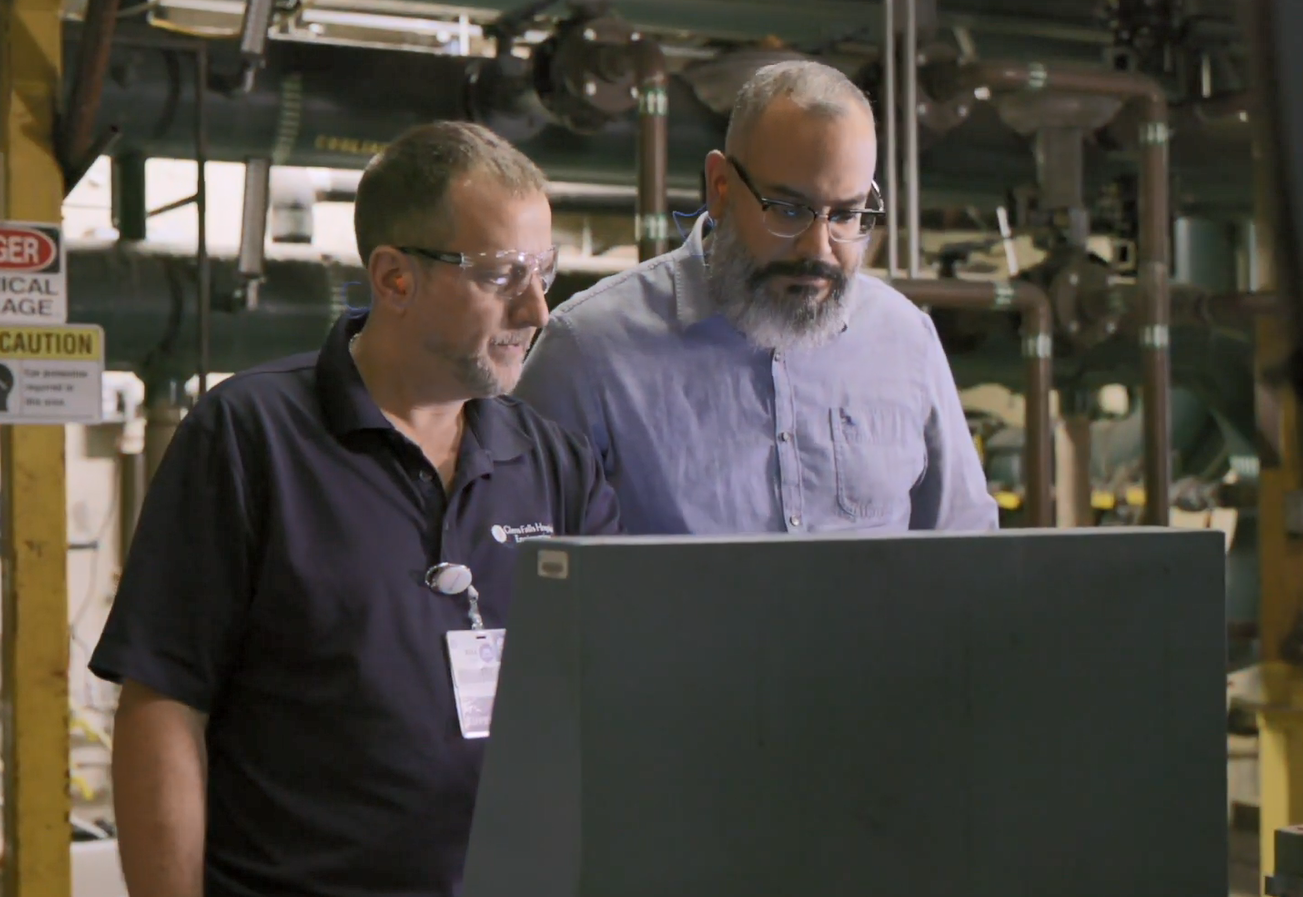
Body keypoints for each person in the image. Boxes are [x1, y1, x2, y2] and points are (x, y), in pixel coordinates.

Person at [90, 121, 620, 897]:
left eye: (544, 270)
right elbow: (164, 704)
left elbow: (612, 698)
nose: (538, 309)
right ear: (395, 277)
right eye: (502, 274)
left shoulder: (555, 464)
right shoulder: (252, 437)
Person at [513, 60, 999, 535]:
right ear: (721, 188)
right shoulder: (588, 352)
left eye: (847, 215)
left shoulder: (905, 341)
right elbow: (514, 571)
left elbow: (967, 555)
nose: (818, 248)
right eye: (788, 210)